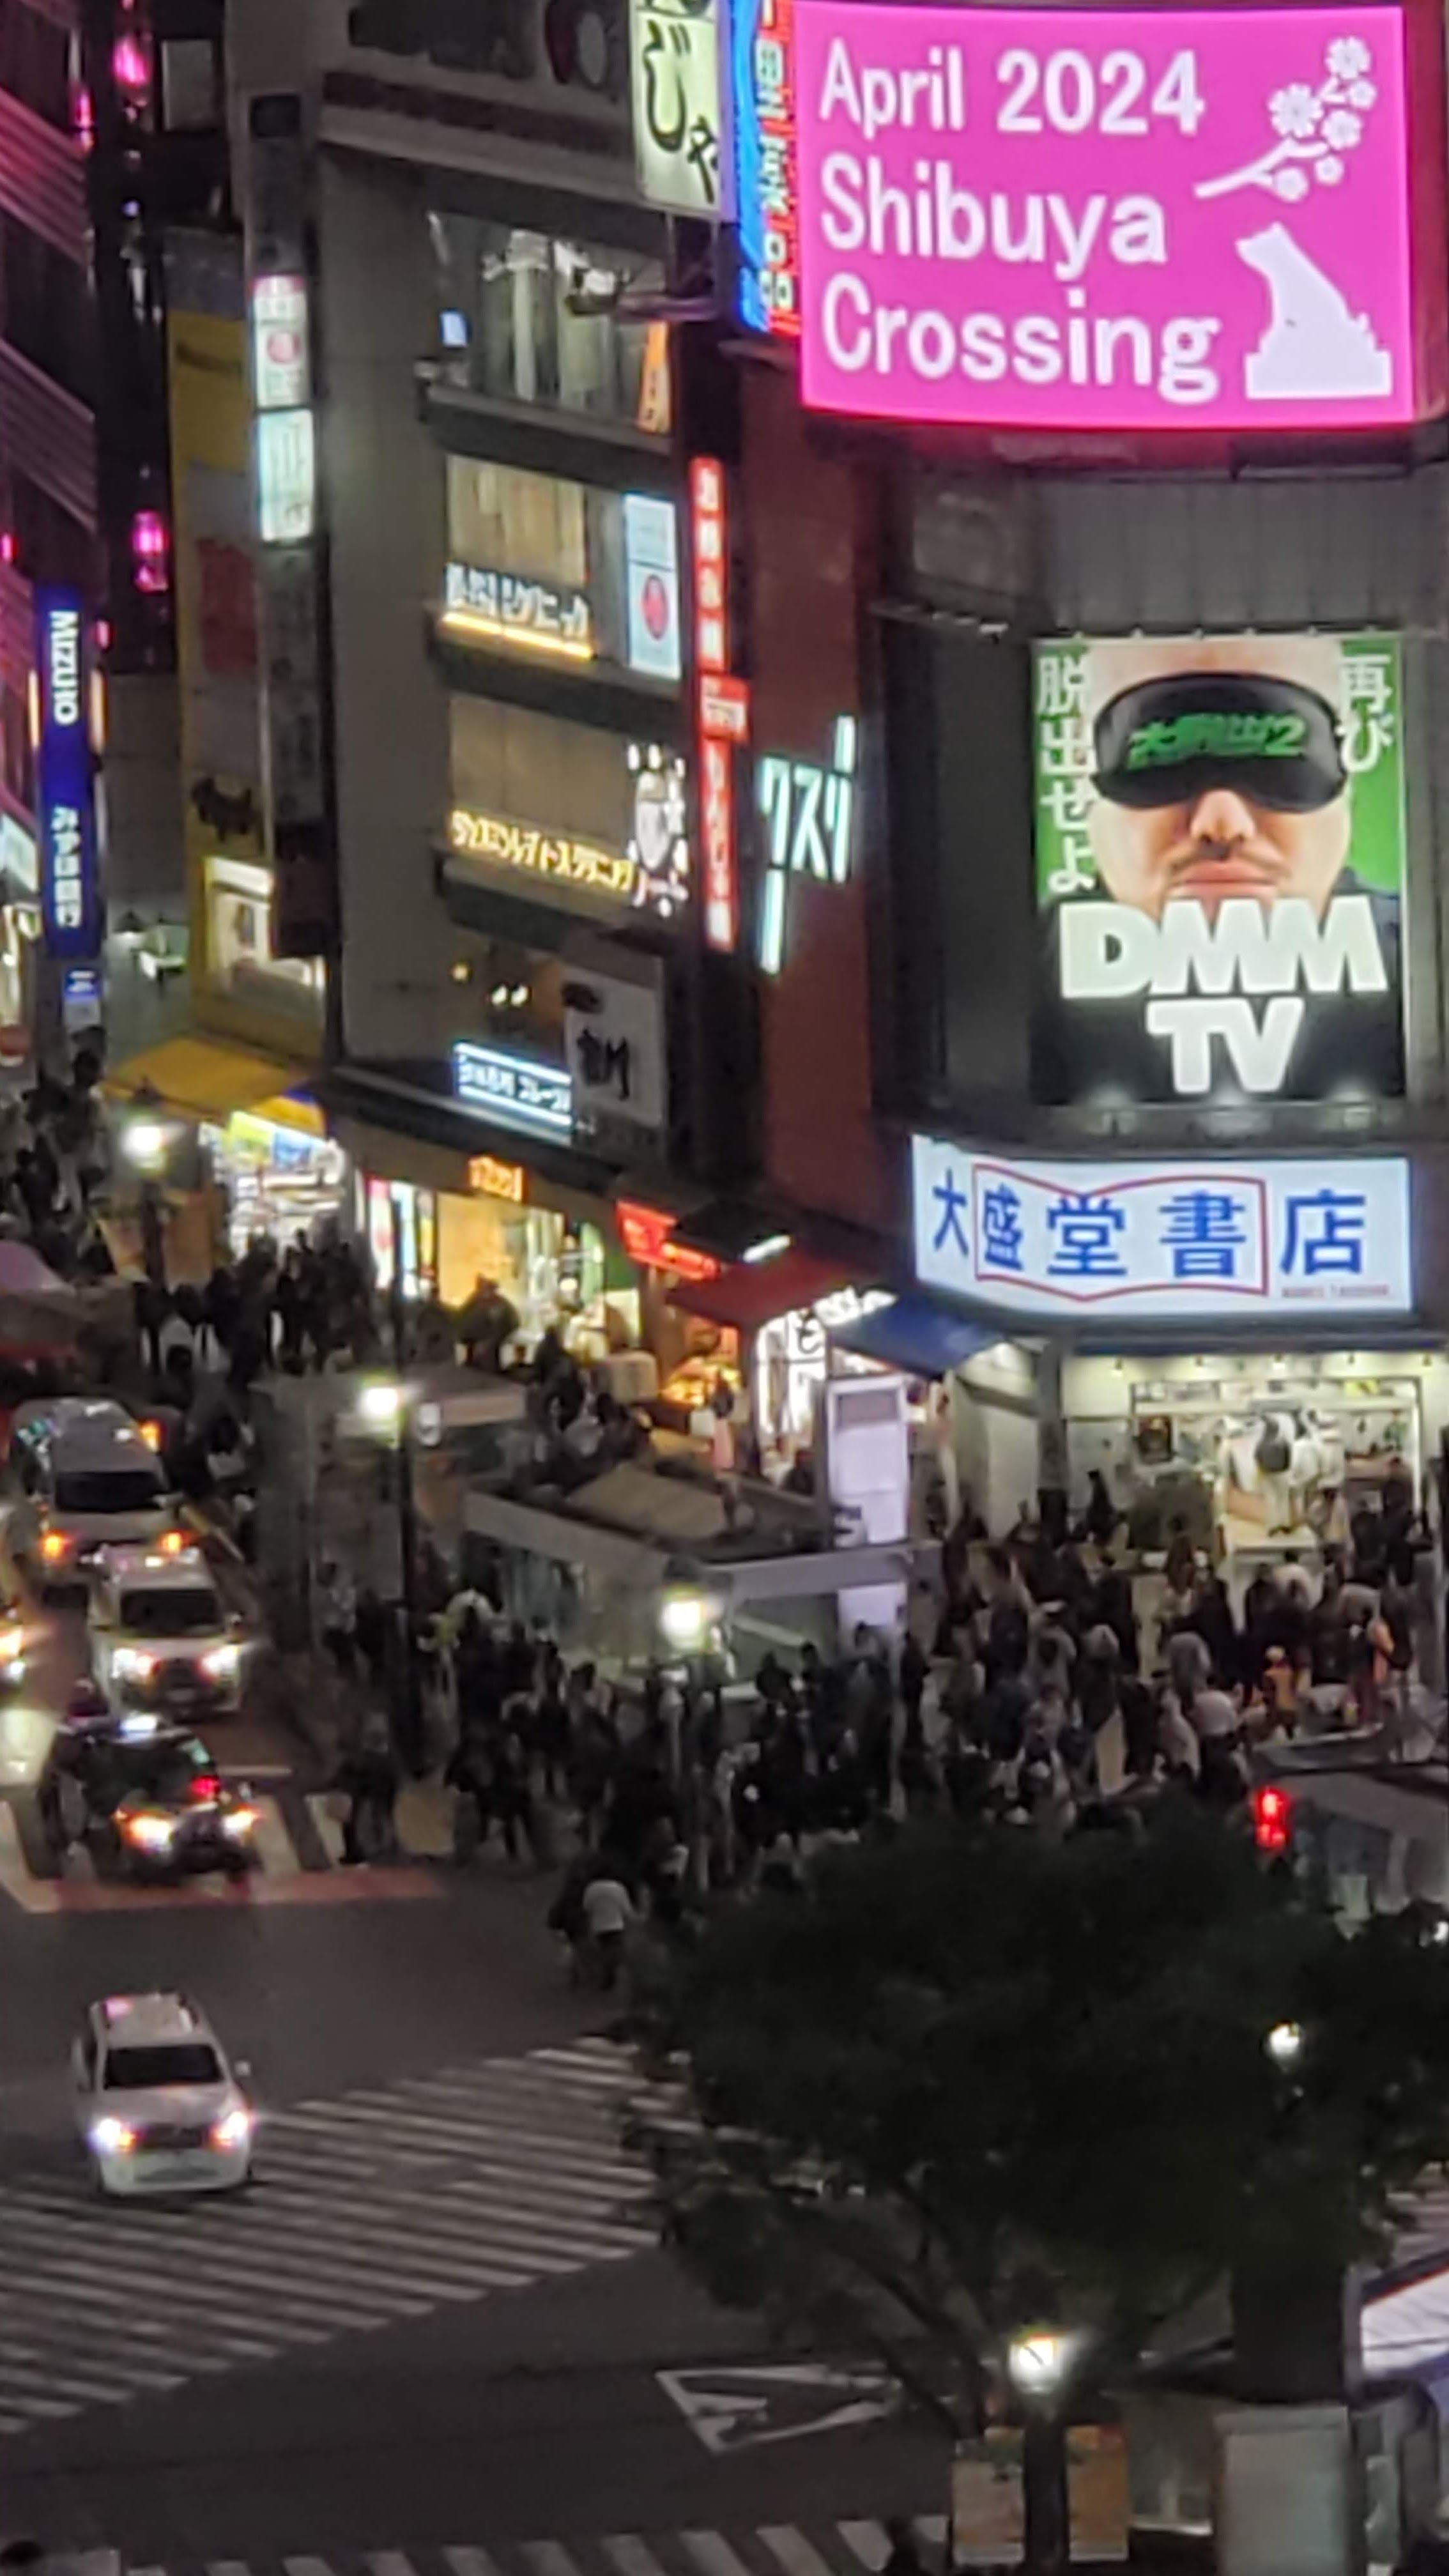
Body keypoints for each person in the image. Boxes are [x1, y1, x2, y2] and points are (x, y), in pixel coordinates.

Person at [1035, 631, 1404, 1105]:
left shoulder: (1423, 967)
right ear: (1083, 779)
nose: (1222, 824)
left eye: (1276, 763)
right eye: (1162, 762)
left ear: (1347, 780)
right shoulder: (1010, 981)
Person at [581, 1867, 636, 1990]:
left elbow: (586, 1907)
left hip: (599, 1926)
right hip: (616, 1924)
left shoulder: (590, 1889)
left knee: (605, 1951)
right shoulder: (618, 1887)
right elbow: (626, 1908)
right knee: (617, 1951)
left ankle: (608, 1977)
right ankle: (615, 1974)